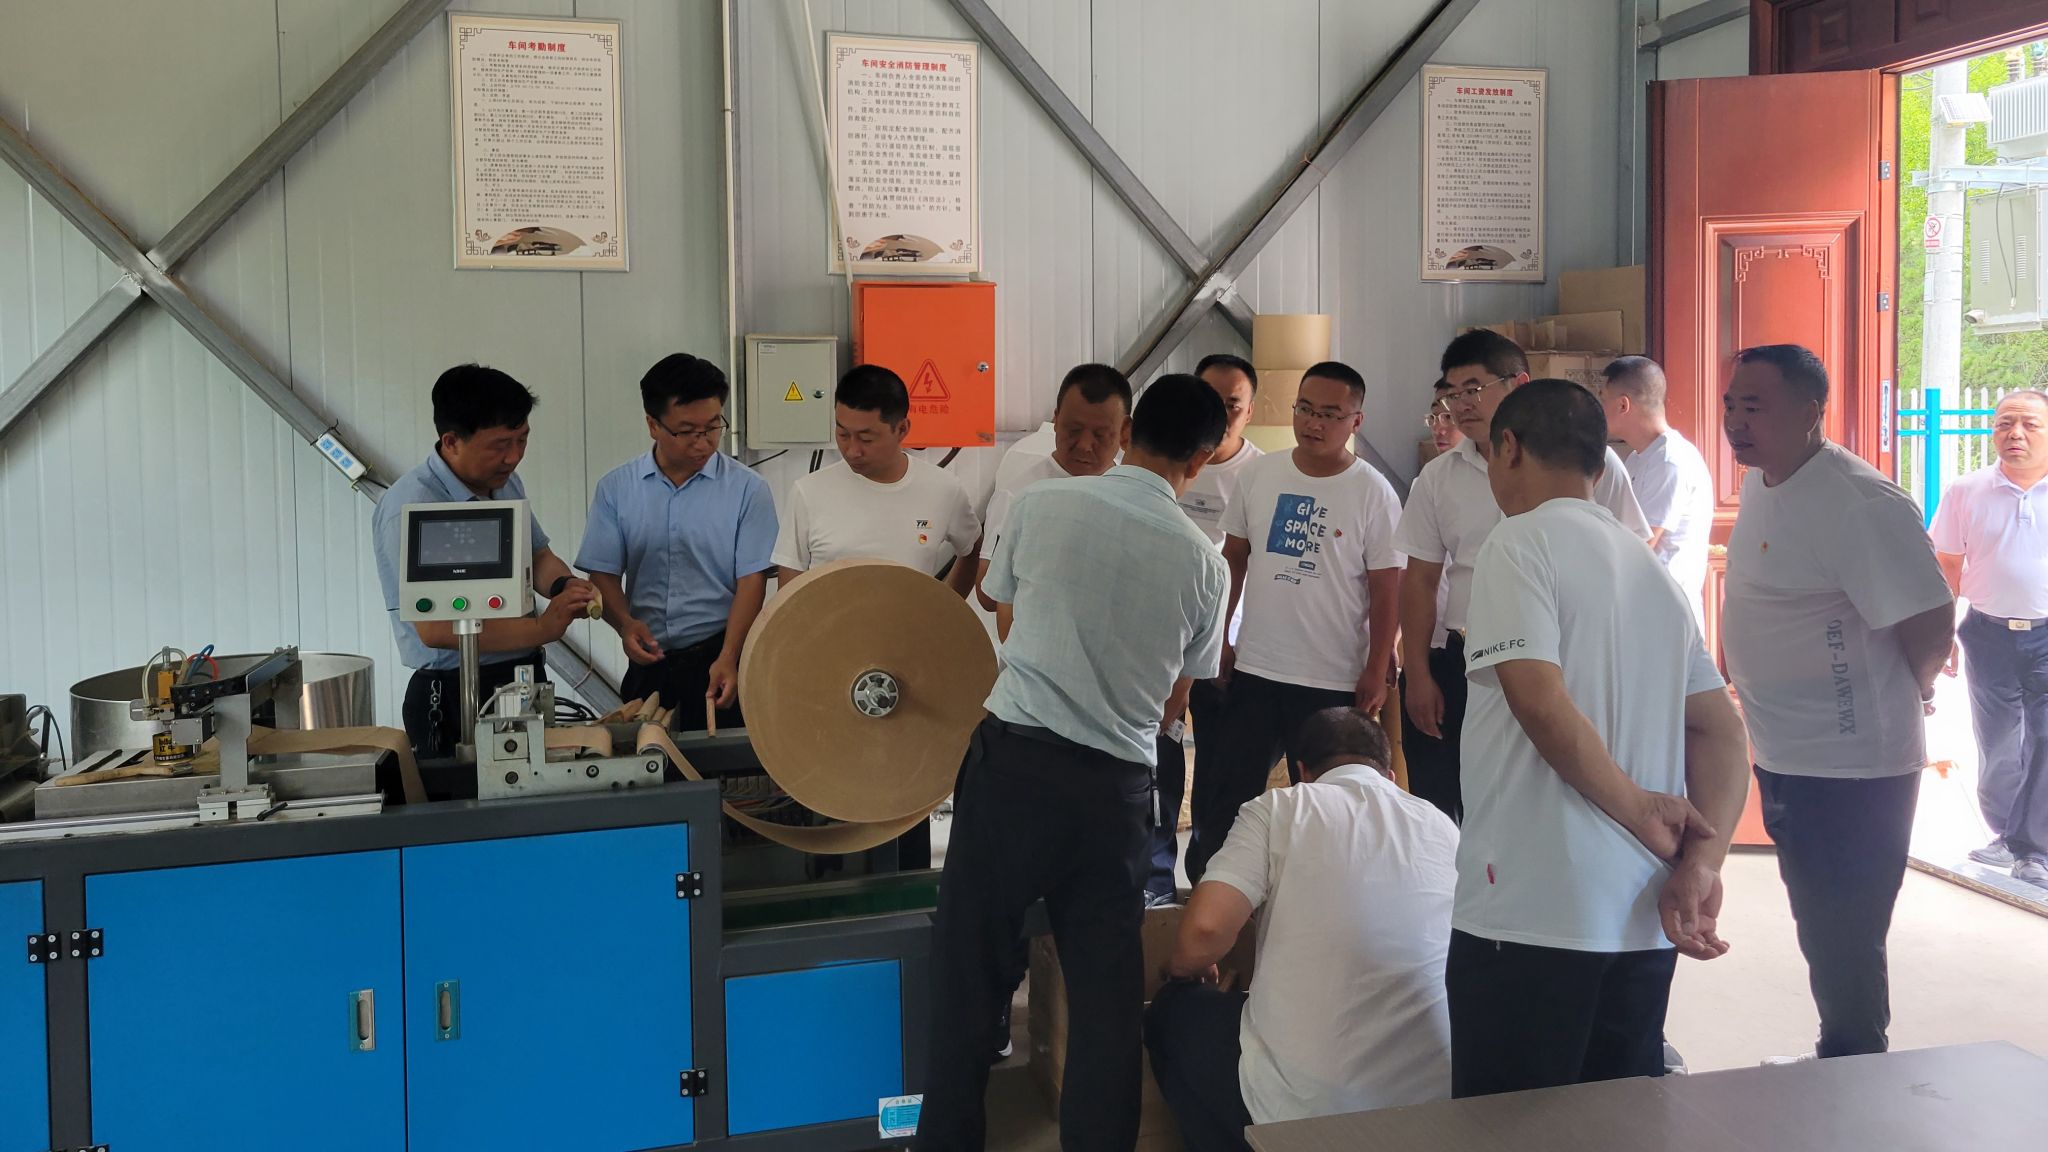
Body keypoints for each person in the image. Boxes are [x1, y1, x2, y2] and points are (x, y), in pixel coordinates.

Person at [917, 375, 1230, 1152]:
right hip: (1113, 794)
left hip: (1014, 769)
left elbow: (1000, 602)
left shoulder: (1040, 505)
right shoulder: (1206, 564)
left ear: (1129, 432)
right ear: (1202, 458)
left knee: (968, 975)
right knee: (1105, 1000)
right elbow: (1178, 696)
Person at [1447, 379, 1750, 1099]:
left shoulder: (1518, 543)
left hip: (1532, 910)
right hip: (1641, 917)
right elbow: (1722, 730)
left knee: (1508, 1130)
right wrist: (1702, 863)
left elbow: (1538, 698)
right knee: (1617, 1125)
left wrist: (1639, 808)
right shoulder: (1650, 569)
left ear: (1509, 448)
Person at [1719, 344, 1955, 1060]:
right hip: (1788, 751)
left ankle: (1855, 1065)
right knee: (1819, 921)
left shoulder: (1859, 502)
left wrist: (1916, 686)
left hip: (1854, 765)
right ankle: (1844, 1056)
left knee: (1843, 930)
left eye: (1754, 406)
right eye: (1731, 404)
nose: (1735, 421)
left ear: (1811, 410)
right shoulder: (1763, 482)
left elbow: (1930, 618)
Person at [1147, 707, 1458, 1151]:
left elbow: (1204, 932)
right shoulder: (1441, 825)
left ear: (1302, 771)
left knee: (1173, 1013)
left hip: (1306, 1110)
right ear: (1389, 775)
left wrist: (1181, 971)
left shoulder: (1280, 808)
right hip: (1432, 1107)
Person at [1396, 331, 1651, 824]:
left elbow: (1630, 560)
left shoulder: (1586, 463)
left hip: (1564, 659)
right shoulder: (1438, 477)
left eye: (1474, 388)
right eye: (1451, 393)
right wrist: (1419, 674)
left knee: (1549, 799)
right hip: (1465, 660)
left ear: (1518, 384)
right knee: (1448, 804)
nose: (1461, 405)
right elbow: (1420, 580)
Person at [1186, 361, 1404, 884]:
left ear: (1356, 420)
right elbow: (1234, 561)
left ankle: (1314, 899)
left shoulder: (1373, 491)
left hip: (1332, 680)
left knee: (1327, 808)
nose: (1313, 423)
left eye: (1329, 413)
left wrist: (1377, 666)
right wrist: (1220, 639)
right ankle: (1210, 895)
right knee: (1225, 799)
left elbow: (1386, 589)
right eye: (1305, 409)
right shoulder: (1261, 475)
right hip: (1256, 670)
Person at [372, 364, 598, 759]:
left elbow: (537, 555)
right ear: (452, 441)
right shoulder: (413, 507)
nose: (514, 457)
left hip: (521, 679)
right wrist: (542, 628)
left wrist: (565, 586)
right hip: (451, 692)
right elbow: (438, 628)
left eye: (522, 440)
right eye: (499, 445)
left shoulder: (503, 483)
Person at [577, 354, 777, 728]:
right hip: (648, 660)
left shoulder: (748, 490)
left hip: (720, 657)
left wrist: (730, 655)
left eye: (713, 427)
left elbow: (752, 580)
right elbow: (602, 573)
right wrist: (624, 625)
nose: (703, 442)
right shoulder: (617, 489)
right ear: (653, 425)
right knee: (647, 757)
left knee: (724, 759)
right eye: (687, 431)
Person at [1148, 353, 1264, 905]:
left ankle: (1210, 884)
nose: (1220, 413)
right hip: (1158, 643)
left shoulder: (1261, 475)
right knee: (1158, 763)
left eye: (1232, 405)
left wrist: (1227, 642)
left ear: (1250, 410)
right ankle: (1156, 883)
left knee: (1219, 779)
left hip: (1225, 651)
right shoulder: (1162, 460)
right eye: (1209, 399)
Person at [1932, 390, 2048, 886]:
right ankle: (2006, 833)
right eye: (2004, 424)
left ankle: (2034, 847)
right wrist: (1941, 632)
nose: (2015, 434)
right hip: (1987, 633)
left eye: (2029, 424)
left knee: (2044, 738)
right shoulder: (1967, 491)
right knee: (1998, 741)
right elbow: (1947, 565)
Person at [772, 364, 981, 597]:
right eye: (843, 434)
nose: (852, 450)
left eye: (866, 439)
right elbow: (788, 591)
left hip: (911, 622)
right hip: (829, 622)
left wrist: (947, 607)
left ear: (902, 429)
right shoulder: (808, 492)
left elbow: (972, 548)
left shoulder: (944, 490)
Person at [975, 363, 1132, 626]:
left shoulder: (1133, 497)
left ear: (1125, 432)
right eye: (1073, 430)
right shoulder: (1020, 493)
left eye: (1101, 435)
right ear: (1056, 420)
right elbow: (987, 593)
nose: (1085, 445)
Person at [1599, 356, 1715, 625]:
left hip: (1666, 615)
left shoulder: (1669, 461)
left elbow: (1640, 544)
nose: (1598, 408)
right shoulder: (1639, 458)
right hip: (1644, 609)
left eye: (1602, 398)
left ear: (1623, 405)